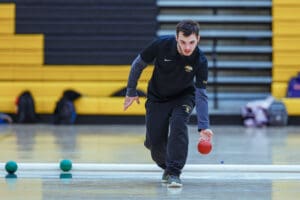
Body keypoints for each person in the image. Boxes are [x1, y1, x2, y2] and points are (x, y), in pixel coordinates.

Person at [123, 20, 214, 188]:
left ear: (198, 39)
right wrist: (131, 91)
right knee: (155, 145)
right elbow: (138, 64)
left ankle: (174, 173)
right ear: (176, 38)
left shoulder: (201, 60)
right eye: (183, 42)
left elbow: (201, 94)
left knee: (179, 124)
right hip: (157, 98)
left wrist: (204, 126)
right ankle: (165, 164)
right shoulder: (161, 45)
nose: (187, 47)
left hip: (183, 98)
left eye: (192, 42)